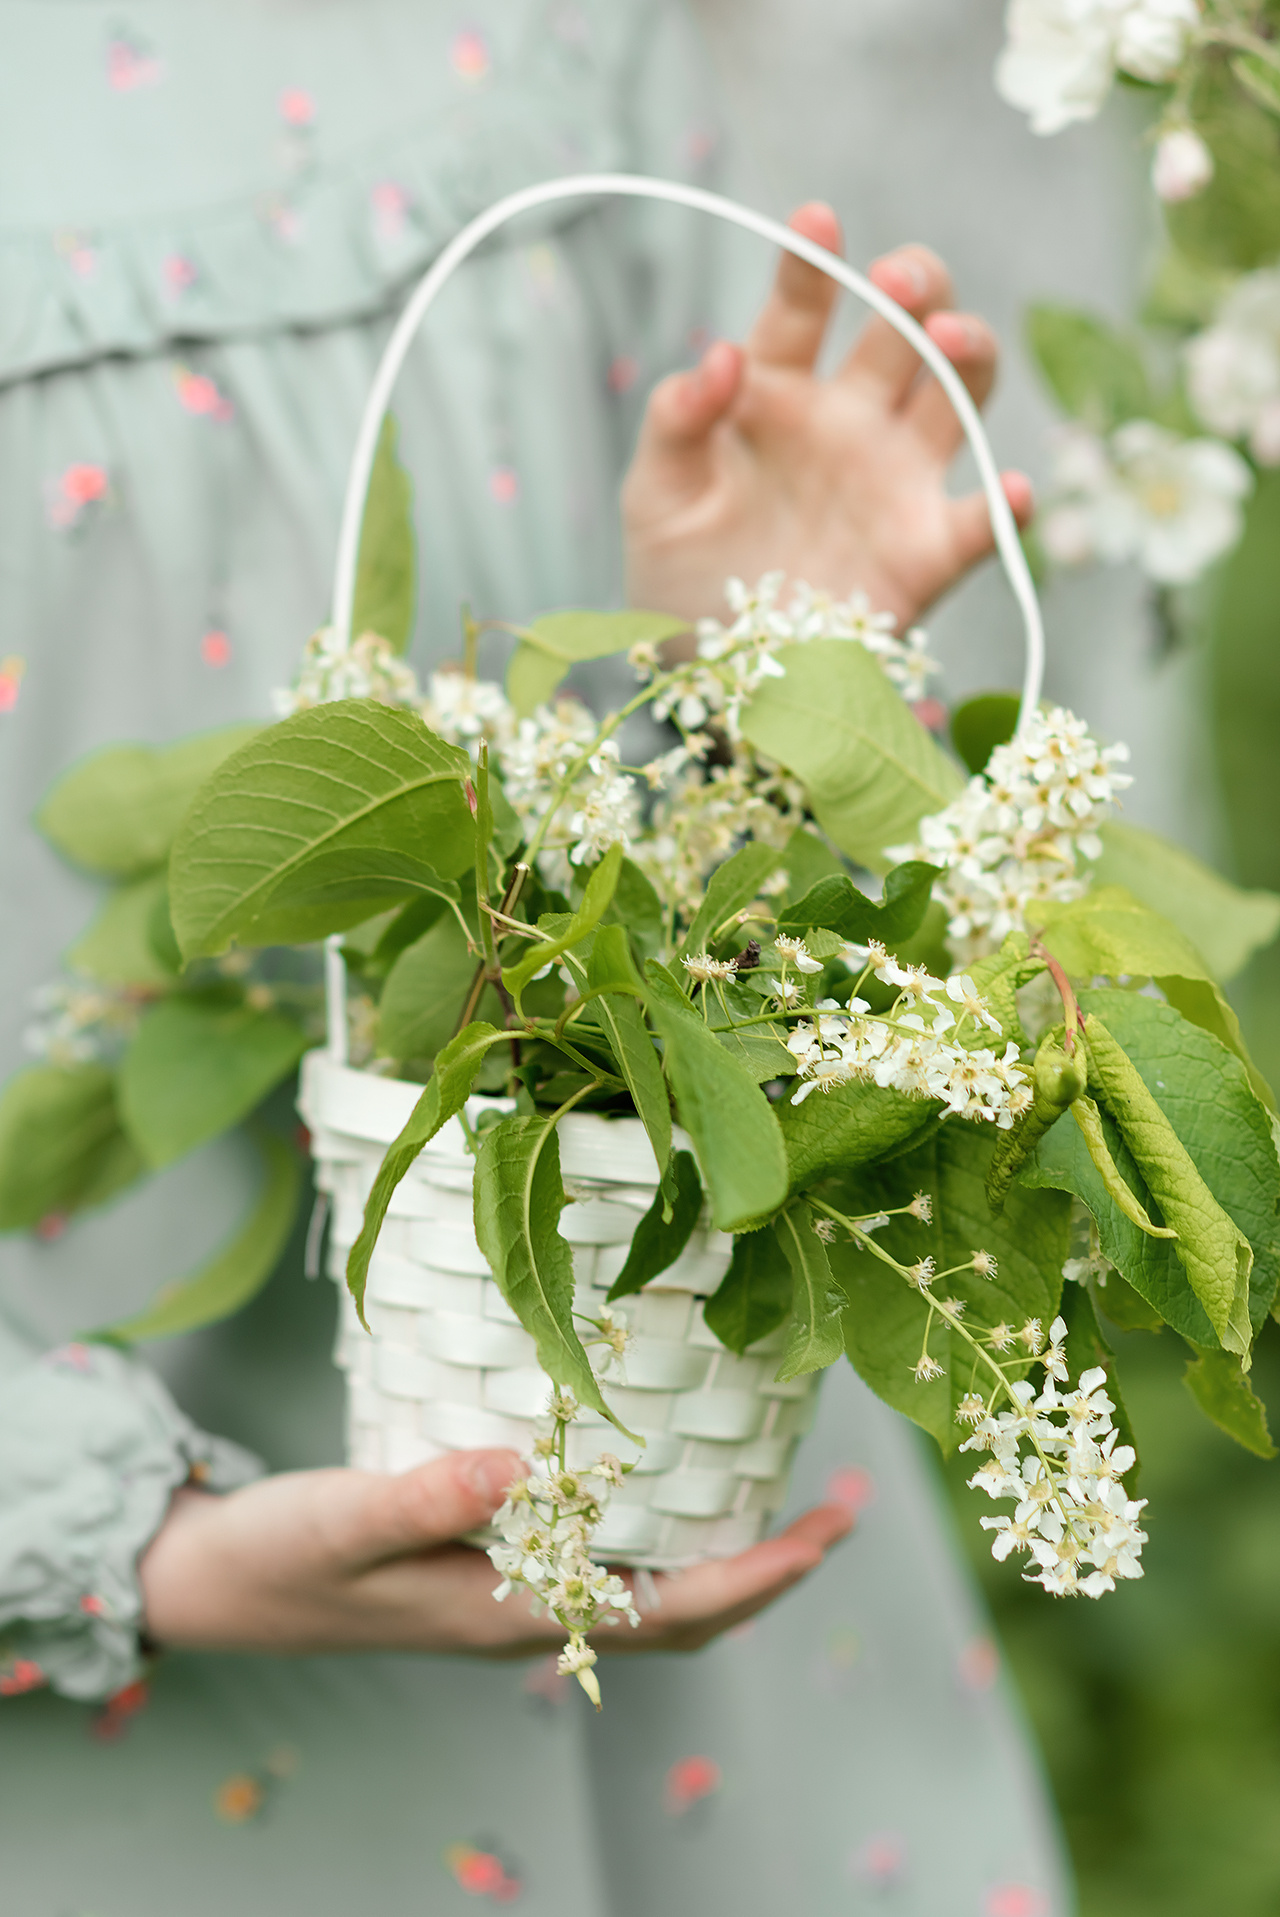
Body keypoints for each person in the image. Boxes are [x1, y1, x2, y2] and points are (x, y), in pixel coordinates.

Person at [0, 2, 1068, 1910]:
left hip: (664, 1442)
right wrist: (113, 1533)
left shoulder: (549, 33)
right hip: (131, 1737)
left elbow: (630, 896)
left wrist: (748, 704)